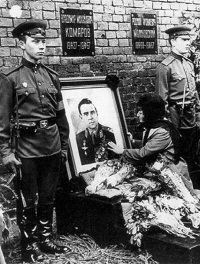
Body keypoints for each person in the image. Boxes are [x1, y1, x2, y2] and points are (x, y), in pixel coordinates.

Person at [0, 20, 70, 262]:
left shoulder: (52, 77)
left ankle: (46, 239)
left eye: (43, 42)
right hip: (26, 150)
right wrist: (6, 153)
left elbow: (61, 116)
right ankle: (29, 246)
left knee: (48, 197)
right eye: (35, 42)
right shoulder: (10, 78)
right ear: (22, 44)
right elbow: (3, 123)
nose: (41, 46)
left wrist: (63, 144)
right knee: (28, 202)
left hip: (51, 146)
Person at [108, 93, 193, 190]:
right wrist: (133, 141)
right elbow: (152, 145)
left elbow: (143, 153)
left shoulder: (162, 131)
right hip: (163, 171)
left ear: (149, 113)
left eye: (141, 112)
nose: (137, 115)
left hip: (175, 175)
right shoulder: (155, 125)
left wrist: (122, 151)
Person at [155, 25, 200, 169]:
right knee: (176, 155)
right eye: (184, 39)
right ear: (173, 41)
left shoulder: (188, 64)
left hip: (190, 117)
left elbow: (194, 92)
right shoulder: (165, 67)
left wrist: (198, 114)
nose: (188, 43)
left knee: (191, 153)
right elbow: (161, 99)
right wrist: (167, 123)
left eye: (189, 40)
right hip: (175, 118)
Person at [76, 98, 117, 165]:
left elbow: (116, 159)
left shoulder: (109, 133)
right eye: (86, 114)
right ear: (81, 117)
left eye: (92, 112)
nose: (90, 117)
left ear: (97, 113)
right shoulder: (79, 138)